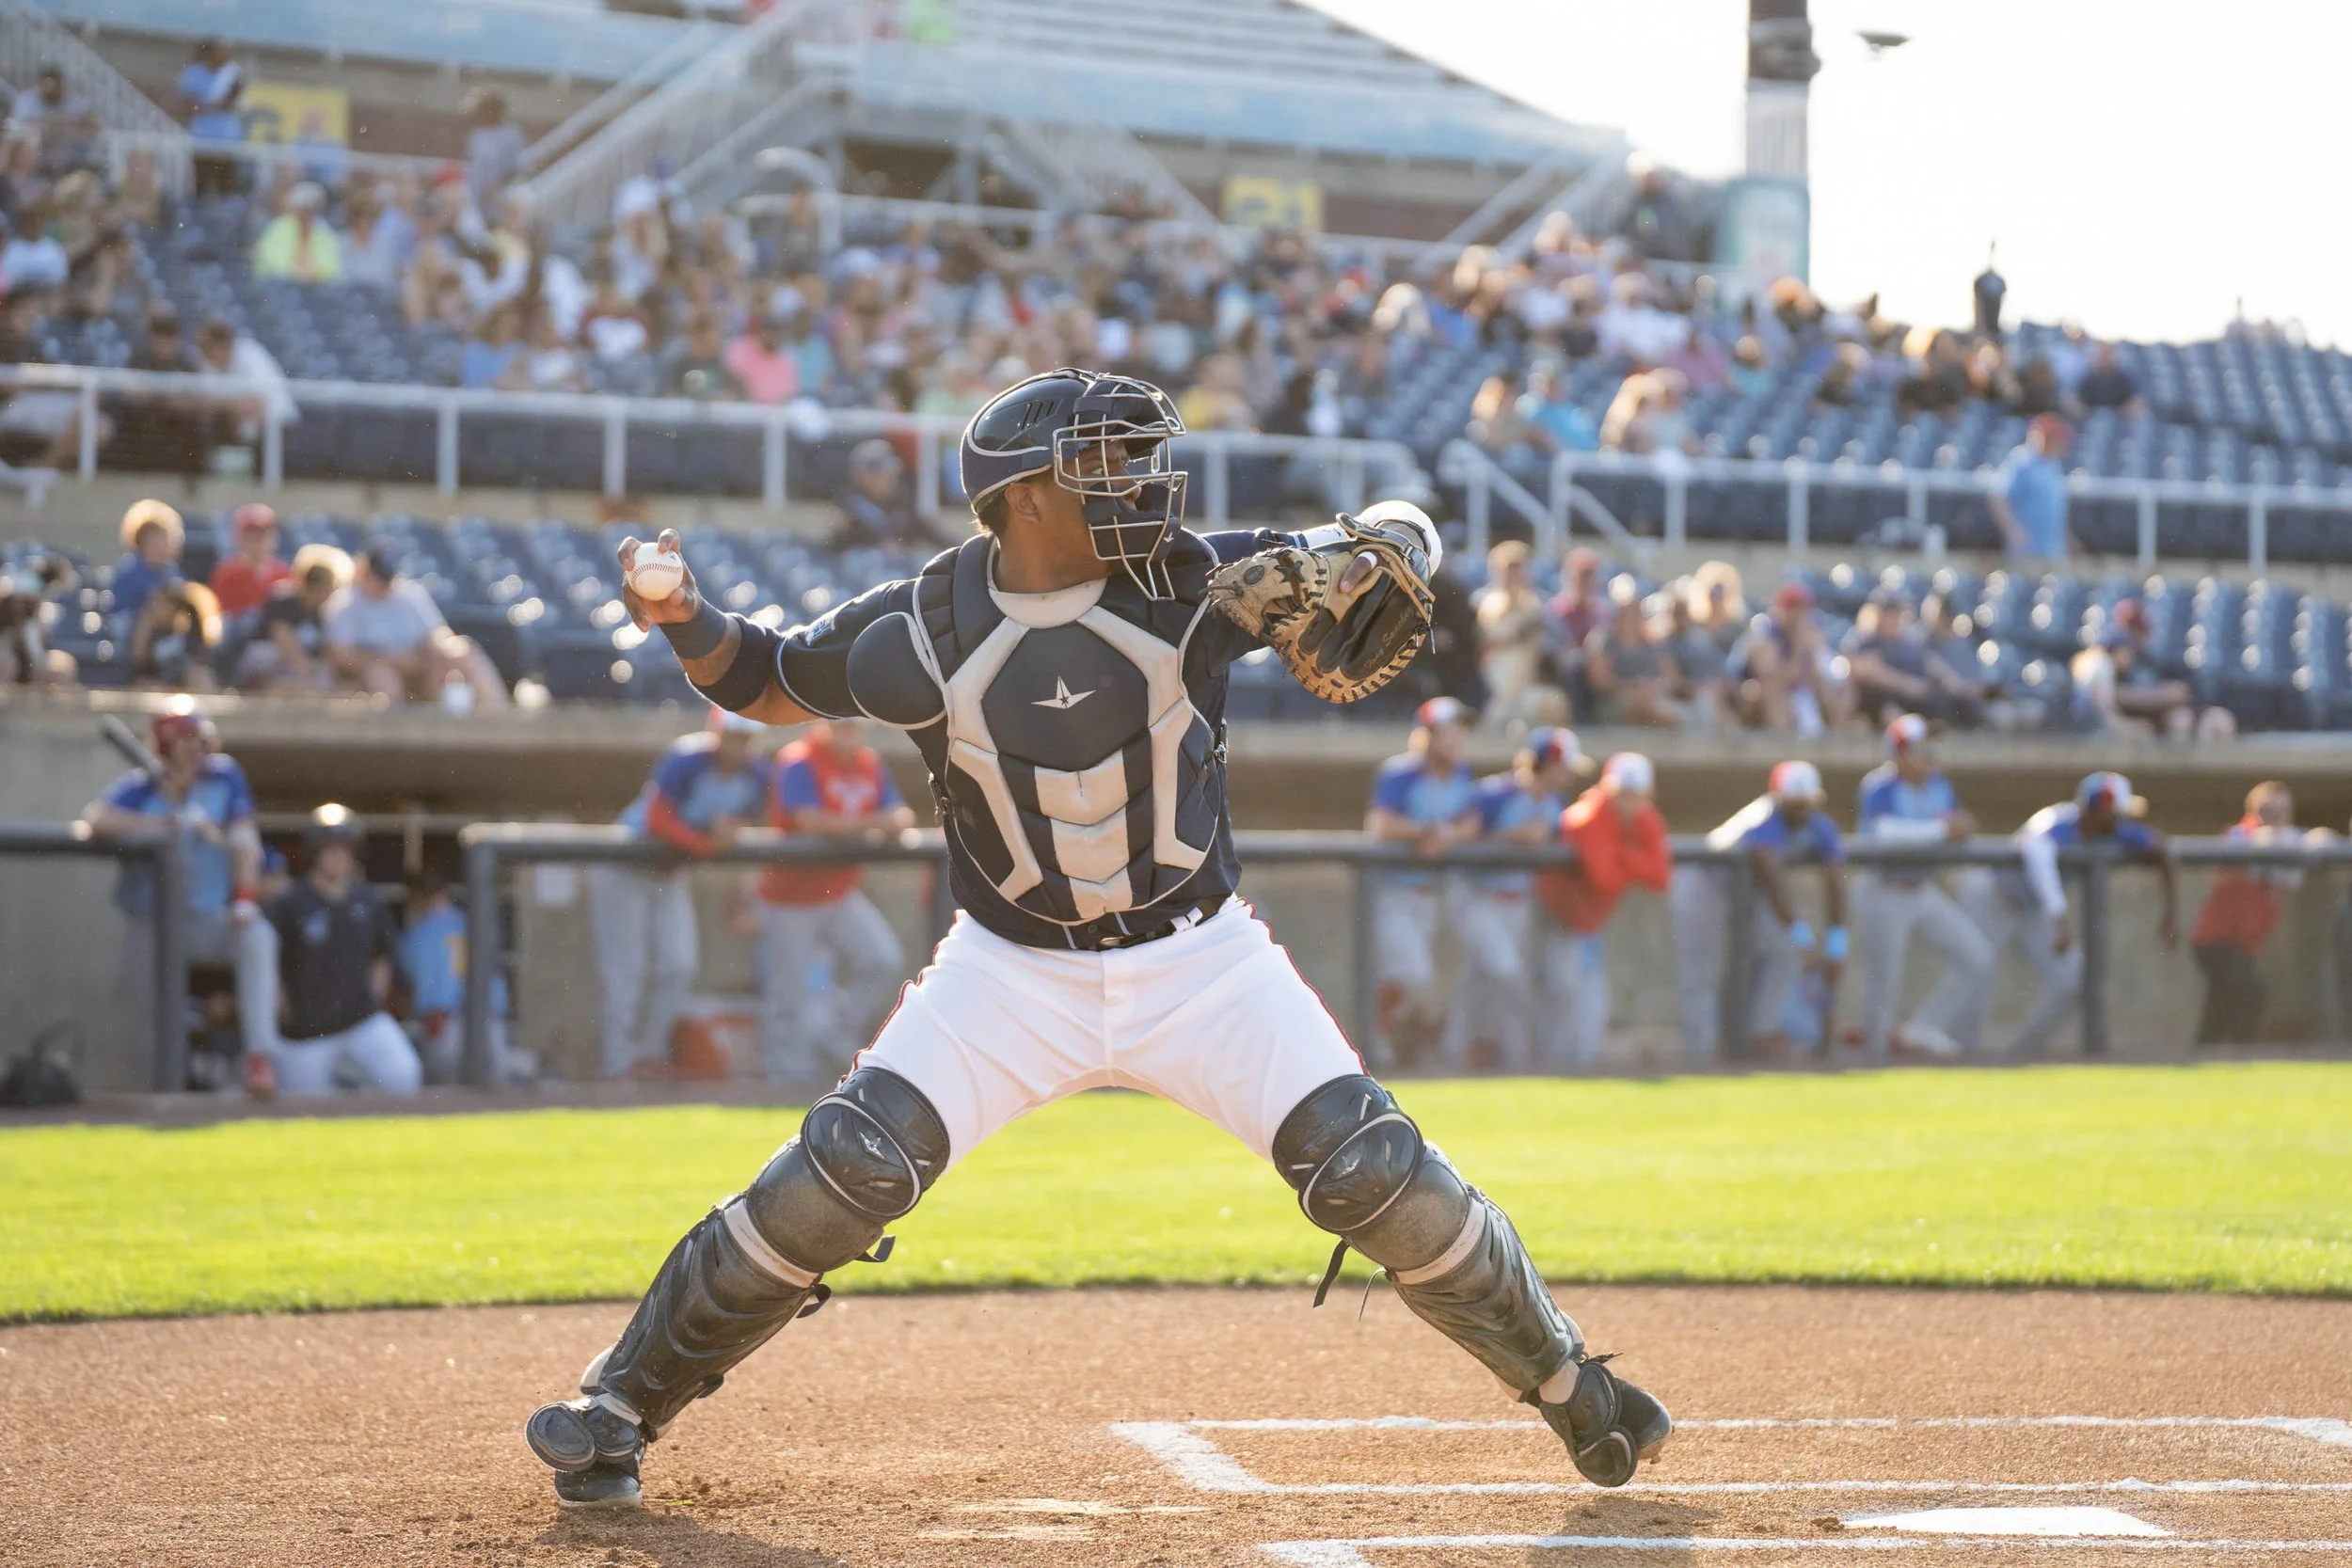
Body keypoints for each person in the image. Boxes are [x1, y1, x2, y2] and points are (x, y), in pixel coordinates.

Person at [525, 366, 1671, 1509]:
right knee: (846, 1168)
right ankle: (618, 1408)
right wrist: (682, 618)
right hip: (1009, 968)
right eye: (1107, 462)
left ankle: (1575, 1386)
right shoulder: (923, 624)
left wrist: (1399, 544)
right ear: (1026, 496)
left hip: (1201, 958)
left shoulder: (1192, 580)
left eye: (1139, 456)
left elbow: (1385, 529)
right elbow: (768, 679)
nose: (1145, 483)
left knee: (1369, 1163)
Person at [81, 701, 277, 1082]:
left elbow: (244, 840)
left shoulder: (223, 777)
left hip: (205, 920)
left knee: (258, 936)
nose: (192, 748)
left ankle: (259, 1060)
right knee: (147, 1022)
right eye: (183, 739)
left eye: (196, 738)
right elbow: (95, 821)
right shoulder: (142, 788)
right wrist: (166, 822)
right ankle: (160, 1088)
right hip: (152, 924)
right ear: (164, 743)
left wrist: (243, 899)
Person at [590, 709, 772, 1079]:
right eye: (733, 735)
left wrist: (729, 835)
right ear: (715, 731)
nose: (739, 745)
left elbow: (748, 821)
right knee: (627, 970)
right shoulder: (687, 758)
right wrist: (708, 844)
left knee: (679, 965)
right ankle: (618, 1064)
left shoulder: (756, 773)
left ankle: (650, 1054)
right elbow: (658, 820)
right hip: (627, 860)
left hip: (669, 871)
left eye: (746, 737)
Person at [1946, 772, 2176, 1059]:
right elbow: (2038, 857)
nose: (2121, 818)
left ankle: (2019, 1056)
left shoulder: (2109, 829)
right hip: (1994, 898)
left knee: (2074, 979)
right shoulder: (2057, 821)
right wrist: (2059, 918)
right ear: (2099, 810)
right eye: (2116, 811)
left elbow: (2160, 846)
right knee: (1977, 978)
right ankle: (1958, 1058)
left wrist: (2170, 913)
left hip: (2033, 910)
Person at [755, 719, 914, 1083]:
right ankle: (788, 1083)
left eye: (855, 724)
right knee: (788, 997)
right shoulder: (799, 760)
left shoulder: (869, 762)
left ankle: (828, 1031)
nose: (849, 731)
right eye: (841, 724)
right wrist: (873, 823)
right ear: (824, 725)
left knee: (882, 960)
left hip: (839, 890)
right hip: (790, 895)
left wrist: (869, 822)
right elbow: (809, 821)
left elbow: (901, 815)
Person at [1671, 760, 1846, 1063]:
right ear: (1778, 797)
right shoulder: (1763, 817)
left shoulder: (1818, 824)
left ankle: (1760, 1035)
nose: (1802, 809)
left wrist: (1837, 946)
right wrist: (1803, 938)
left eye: (1807, 802)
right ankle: (1699, 1057)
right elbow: (1773, 882)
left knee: (1783, 951)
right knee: (1701, 972)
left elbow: (1836, 883)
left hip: (1749, 893)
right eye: (1795, 802)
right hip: (1706, 884)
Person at [1443, 727, 1588, 1069]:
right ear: (1545, 763)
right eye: (1563, 765)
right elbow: (1459, 839)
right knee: (1506, 973)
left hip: (1518, 902)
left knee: (1480, 980)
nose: (1568, 773)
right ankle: (1518, 1058)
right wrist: (1513, 837)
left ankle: (1454, 1053)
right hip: (1476, 896)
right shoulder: (1495, 793)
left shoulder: (1556, 805)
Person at [1851, 716, 1994, 1059]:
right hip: (1883, 888)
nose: (1930, 754)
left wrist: (1962, 825)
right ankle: (1875, 1060)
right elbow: (1883, 832)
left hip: (1921, 888)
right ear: (1899, 754)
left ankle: (1924, 1026)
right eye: (1920, 748)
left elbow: (1958, 820)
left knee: (1977, 956)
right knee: (1884, 982)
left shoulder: (1939, 784)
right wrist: (1941, 831)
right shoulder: (1880, 786)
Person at [260, 805, 422, 1096]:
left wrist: (373, 997)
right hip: (306, 1030)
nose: (337, 856)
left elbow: (382, 955)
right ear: (314, 854)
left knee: (402, 1074)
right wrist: (280, 1005)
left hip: (360, 1020)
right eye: (329, 849)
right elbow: (267, 961)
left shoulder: (368, 900)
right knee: (307, 1110)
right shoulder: (290, 902)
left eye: (344, 849)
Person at [1364, 695, 1482, 1062]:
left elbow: (1472, 823)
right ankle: (1375, 1029)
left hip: (1434, 894)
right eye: (1448, 733)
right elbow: (1380, 825)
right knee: (1412, 973)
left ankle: (1388, 1034)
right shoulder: (1400, 773)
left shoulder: (1462, 775)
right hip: (1392, 891)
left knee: (1423, 979)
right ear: (1428, 735)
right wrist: (1424, 833)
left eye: (1459, 733)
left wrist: (1447, 836)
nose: (1456, 740)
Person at [1534, 751, 1670, 1068]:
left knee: (1587, 994)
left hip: (1589, 921)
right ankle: (1548, 1065)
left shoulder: (1644, 818)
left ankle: (1579, 1065)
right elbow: (1603, 879)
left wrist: (1622, 854)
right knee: (1557, 990)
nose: (1628, 802)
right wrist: (1633, 856)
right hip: (1554, 914)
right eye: (1622, 793)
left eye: (1635, 795)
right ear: (1608, 789)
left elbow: (1661, 877)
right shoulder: (1589, 816)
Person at [2190, 782, 2324, 1047]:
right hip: (2216, 940)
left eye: (2283, 812)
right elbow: (2250, 841)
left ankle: (2204, 1053)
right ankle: (2242, 1054)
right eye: (2269, 811)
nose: (2276, 818)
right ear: (2255, 811)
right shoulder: (2240, 834)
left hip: (2244, 944)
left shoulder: (2288, 839)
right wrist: (2282, 837)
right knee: (2252, 993)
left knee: (2221, 1002)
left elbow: (2317, 839)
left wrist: (2311, 838)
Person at [323, 545, 510, 707]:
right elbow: (342, 656)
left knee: (463, 652)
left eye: (387, 578)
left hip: (417, 664)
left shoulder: (409, 595)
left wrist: (443, 652)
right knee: (384, 679)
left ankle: (500, 718)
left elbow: (438, 635)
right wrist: (386, 661)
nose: (383, 584)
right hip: (373, 668)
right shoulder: (344, 603)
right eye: (378, 577)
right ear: (364, 572)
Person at [398, 863, 528, 1085]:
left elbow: (410, 987)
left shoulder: (415, 936)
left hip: (446, 1029)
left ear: (417, 898)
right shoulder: (476, 924)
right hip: (491, 1027)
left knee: (446, 1100)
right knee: (496, 1099)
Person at [1842, 590, 1981, 729]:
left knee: (1954, 702)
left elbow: (1929, 661)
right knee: (1888, 705)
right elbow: (1865, 669)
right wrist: (1907, 685)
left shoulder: (1906, 639)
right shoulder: (1864, 640)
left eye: (1897, 613)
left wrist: (1951, 681)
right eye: (1889, 613)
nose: (1895, 618)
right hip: (1887, 694)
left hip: (1917, 691)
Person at [1729, 581, 1850, 736]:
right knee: (1776, 695)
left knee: (1832, 693)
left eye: (1802, 609)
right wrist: (1799, 650)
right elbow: (1775, 678)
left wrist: (1811, 653)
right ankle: (1782, 745)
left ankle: (1833, 747)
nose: (1800, 615)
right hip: (1743, 697)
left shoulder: (1806, 632)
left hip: (1791, 693)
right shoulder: (1763, 631)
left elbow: (1815, 678)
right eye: (1794, 609)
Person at [235, 543, 348, 692]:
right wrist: (308, 671)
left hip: (296, 672)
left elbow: (325, 653)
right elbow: (283, 639)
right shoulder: (283, 600)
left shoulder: (322, 614)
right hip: (264, 666)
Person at [1472, 541, 1563, 726]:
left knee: (1553, 703)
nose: (1514, 574)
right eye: (1509, 568)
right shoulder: (1483, 601)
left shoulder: (1537, 602)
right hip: (1497, 671)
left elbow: (1549, 639)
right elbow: (1491, 638)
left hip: (1529, 675)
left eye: (1518, 568)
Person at [1582, 575, 1681, 727]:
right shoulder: (1601, 640)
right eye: (1625, 611)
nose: (1631, 615)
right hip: (1615, 703)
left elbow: (1671, 677)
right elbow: (1600, 681)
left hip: (1653, 698)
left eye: (1635, 610)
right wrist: (1635, 688)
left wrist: (1652, 689)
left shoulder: (1653, 642)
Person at [1990, 414, 2074, 561]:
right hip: (2026, 549)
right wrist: (2013, 531)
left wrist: (2068, 539)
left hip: (2052, 549)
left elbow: (2054, 510)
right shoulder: (2021, 461)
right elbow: (1999, 499)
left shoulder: (2053, 465)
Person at [178, 39, 246, 198]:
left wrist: (208, 106)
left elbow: (232, 103)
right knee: (201, 183)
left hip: (228, 139)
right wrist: (214, 106)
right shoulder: (194, 72)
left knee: (225, 185)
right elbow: (188, 106)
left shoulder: (233, 73)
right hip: (202, 137)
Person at [831, 438, 922, 550]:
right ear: (860, 475)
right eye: (880, 473)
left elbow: (927, 531)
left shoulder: (902, 501)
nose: (888, 478)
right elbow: (837, 545)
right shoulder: (847, 504)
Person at [109, 498, 184, 626]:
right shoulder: (129, 570)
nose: (163, 544)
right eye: (156, 539)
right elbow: (118, 612)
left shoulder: (170, 570)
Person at [207, 503, 289, 620]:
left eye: (264, 535)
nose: (259, 542)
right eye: (253, 536)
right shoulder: (227, 572)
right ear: (240, 538)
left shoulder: (283, 573)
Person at [250, 182, 343, 283]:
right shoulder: (278, 228)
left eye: (313, 210)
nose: (308, 215)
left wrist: (314, 276)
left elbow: (333, 270)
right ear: (295, 209)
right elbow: (273, 265)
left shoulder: (324, 233)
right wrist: (300, 276)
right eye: (304, 210)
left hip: (316, 289)